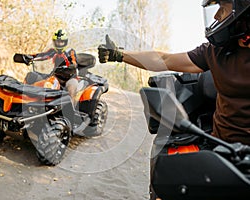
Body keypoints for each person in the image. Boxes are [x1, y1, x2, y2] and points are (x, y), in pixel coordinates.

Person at [98, 0, 250, 145]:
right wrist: (119, 55)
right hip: (223, 148)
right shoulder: (215, 52)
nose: (217, 16)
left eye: (222, 8)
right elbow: (165, 59)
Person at [32, 29, 79, 106]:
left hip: (70, 77)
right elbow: (42, 56)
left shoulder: (70, 51)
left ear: (65, 42)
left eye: (61, 42)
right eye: (57, 42)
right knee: (42, 86)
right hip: (56, 76)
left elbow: (74, 62)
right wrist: (29, 57)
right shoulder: (53, 51)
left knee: (71, 88)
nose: (59, 44)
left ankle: (72, 112)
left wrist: (70, 67)